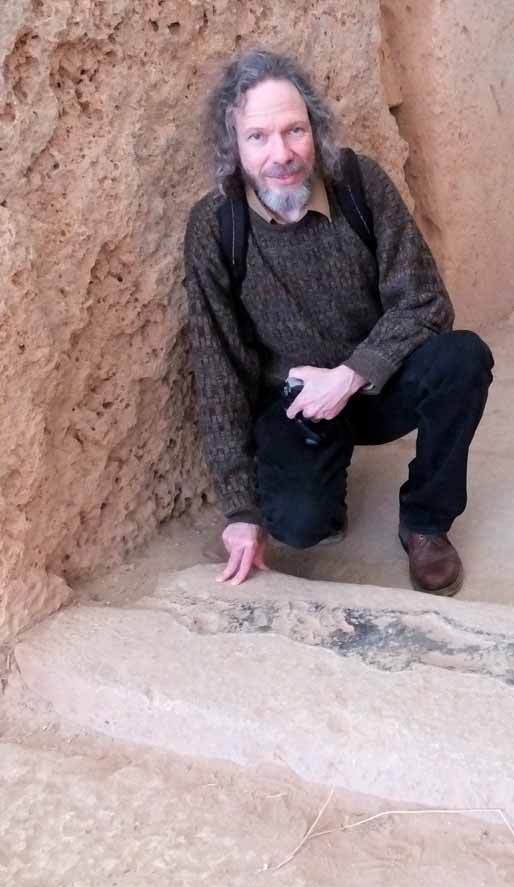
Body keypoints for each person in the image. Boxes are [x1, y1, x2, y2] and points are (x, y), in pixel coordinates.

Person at [184, 51, 494, 596]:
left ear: (315, 128)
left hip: (377, 385)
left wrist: (350, 375)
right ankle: (322, 477)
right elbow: (218, 370)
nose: (282, 154)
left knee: (462, 358)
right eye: (258, 137)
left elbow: (425, 301)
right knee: (300, 527)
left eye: (295, 130)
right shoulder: (215, 227)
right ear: (233, 145)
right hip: (298, 403)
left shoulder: (358, 183)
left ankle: (426, 521)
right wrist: (239, 508)